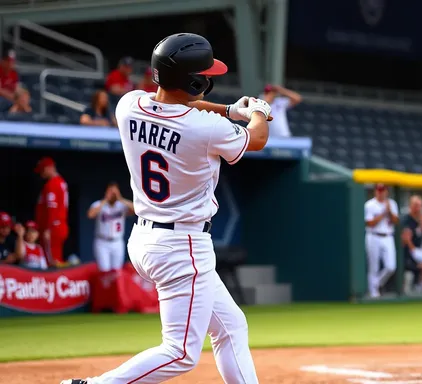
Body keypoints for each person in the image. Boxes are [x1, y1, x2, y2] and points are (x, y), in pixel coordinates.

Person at [61, 32, 271, 384]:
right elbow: (258, 138)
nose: (209, 79)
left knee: (231, 326)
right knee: (181, 352)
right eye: (205, 75)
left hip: (144, 238)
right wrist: (258, 113)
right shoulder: (206, 129)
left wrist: (230, 110)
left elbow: (177, 106)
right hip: (183, 246)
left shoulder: (128, 105)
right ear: (193, 80)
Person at [88, 182, 134, 272]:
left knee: (117, 272)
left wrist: (120, 198)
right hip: (102, 242)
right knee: (104, 271)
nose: (113, 194)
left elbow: (135, 210)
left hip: (117, 242)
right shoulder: (99, 204)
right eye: (110, 191)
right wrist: (106, 199)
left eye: (114, 191)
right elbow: (90, 214)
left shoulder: (121, 205)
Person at [364, 183, 399, 298]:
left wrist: (389, 211)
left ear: (387, 192)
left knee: (391, 266)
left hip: (388, 236)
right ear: (375, 191)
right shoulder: (370, 205)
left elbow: (396, 221)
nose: (381, 192)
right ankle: (374, 292)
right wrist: (384, 213)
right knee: (373, 266)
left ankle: (376, 283)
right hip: (373, 235)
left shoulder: (392, 204)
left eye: (383, 190)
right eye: (379, 190)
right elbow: (369, 223)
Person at [35, 157, 69, 267]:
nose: (41, 174)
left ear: (49, 168)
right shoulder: (60, 182)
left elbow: (52, 208)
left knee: (51, 263)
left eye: (42, 170)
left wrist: (48, 229)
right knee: (55, 259)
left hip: (53, 228)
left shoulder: (52, 184)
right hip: (59, 226)